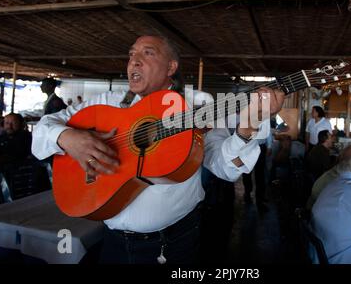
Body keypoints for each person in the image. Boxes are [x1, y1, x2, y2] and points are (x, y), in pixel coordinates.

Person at [32, 34, 285, 264]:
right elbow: (44, 128)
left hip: (174, 245)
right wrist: (68, 138)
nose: (134, 61)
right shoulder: (105, 103)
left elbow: (225, 168)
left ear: (171, 67)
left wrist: (248, 126)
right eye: (131, 54)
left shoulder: (197, 106)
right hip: (112, 242)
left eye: (147, 53)